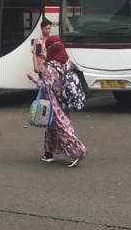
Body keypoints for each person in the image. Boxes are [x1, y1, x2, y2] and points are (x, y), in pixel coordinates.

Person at [27, 35, 88, 168]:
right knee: (52, 128)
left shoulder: (49, 68)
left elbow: (46, 87)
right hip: (65, 99)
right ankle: (48, 154)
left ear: (50, 49)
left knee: (63, 128)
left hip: (54, 103)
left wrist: (33, 79)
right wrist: (45, 58)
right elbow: (57, 68)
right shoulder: (65, 61)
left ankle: (79, 151)